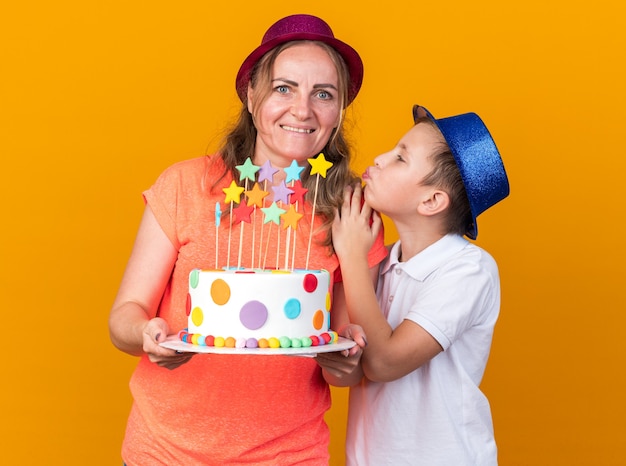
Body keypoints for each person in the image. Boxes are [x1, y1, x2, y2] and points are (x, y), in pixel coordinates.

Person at [108, 14, 387, 465]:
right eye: (284, 88)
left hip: (289, 455)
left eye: (323, 94)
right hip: (163, 453)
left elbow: (342, 363)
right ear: (251, 94)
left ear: (338, 114)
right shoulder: (185, 185)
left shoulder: (353, 212)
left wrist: (346, 361)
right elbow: (123, 318)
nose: (302, 109)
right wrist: (147, 333)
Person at [332, 105, 510, 465]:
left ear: (431, 201)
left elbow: (383, 364)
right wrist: (357, 257)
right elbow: (344, 374)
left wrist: (350, 255)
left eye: (400, 158)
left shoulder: (468, 270)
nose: (380, 159)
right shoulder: (376, 260)